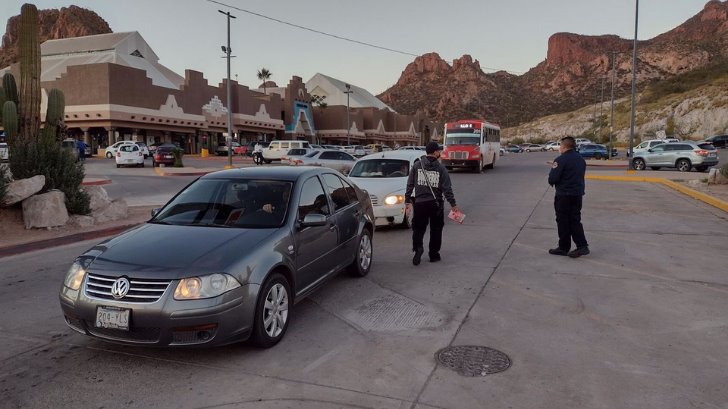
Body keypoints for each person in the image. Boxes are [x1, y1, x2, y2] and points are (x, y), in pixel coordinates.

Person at [405, 141, 459, 265]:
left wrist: (407, 200)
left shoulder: (417, 165)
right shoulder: (441, 168)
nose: (439, 152)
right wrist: (453, 205)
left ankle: (418, 247)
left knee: (418, 228)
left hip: (420, 203)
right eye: (438, 151)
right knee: (436, 229)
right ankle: (433, 255)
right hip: (436, 204)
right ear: (435, 152)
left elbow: (410, 184)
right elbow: (447, 189)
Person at [548, 136, 590, 258]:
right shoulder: (580, 159)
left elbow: (553, 178)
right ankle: (580, 246)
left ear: (564, 147)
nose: (559, 148)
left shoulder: (560, 160)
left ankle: (565, 247)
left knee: (562, 221)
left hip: (564, 195)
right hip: (577, 194)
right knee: (575, 219)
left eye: (560, 145)